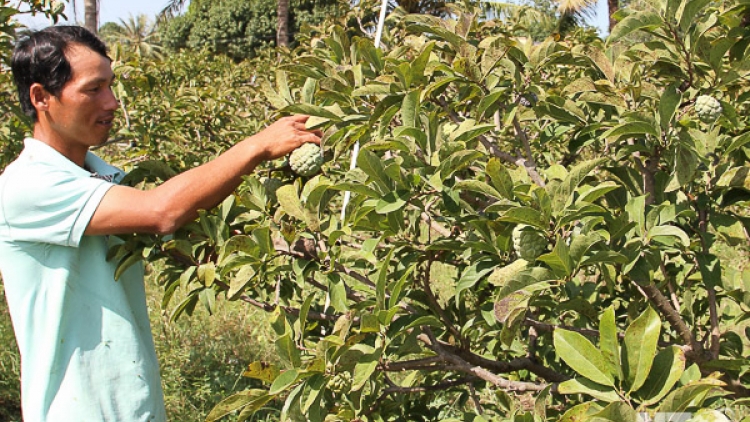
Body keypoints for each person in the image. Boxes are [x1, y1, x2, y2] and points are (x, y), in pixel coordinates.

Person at [0, 25, 321, 421]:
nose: (113, 102)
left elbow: (179, 218)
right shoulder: (27, 185)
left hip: (133, 403)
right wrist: (257, 146)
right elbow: (161, 211)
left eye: (111, 86)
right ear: (41, 97)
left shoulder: (101, 176)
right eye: (93, 89)